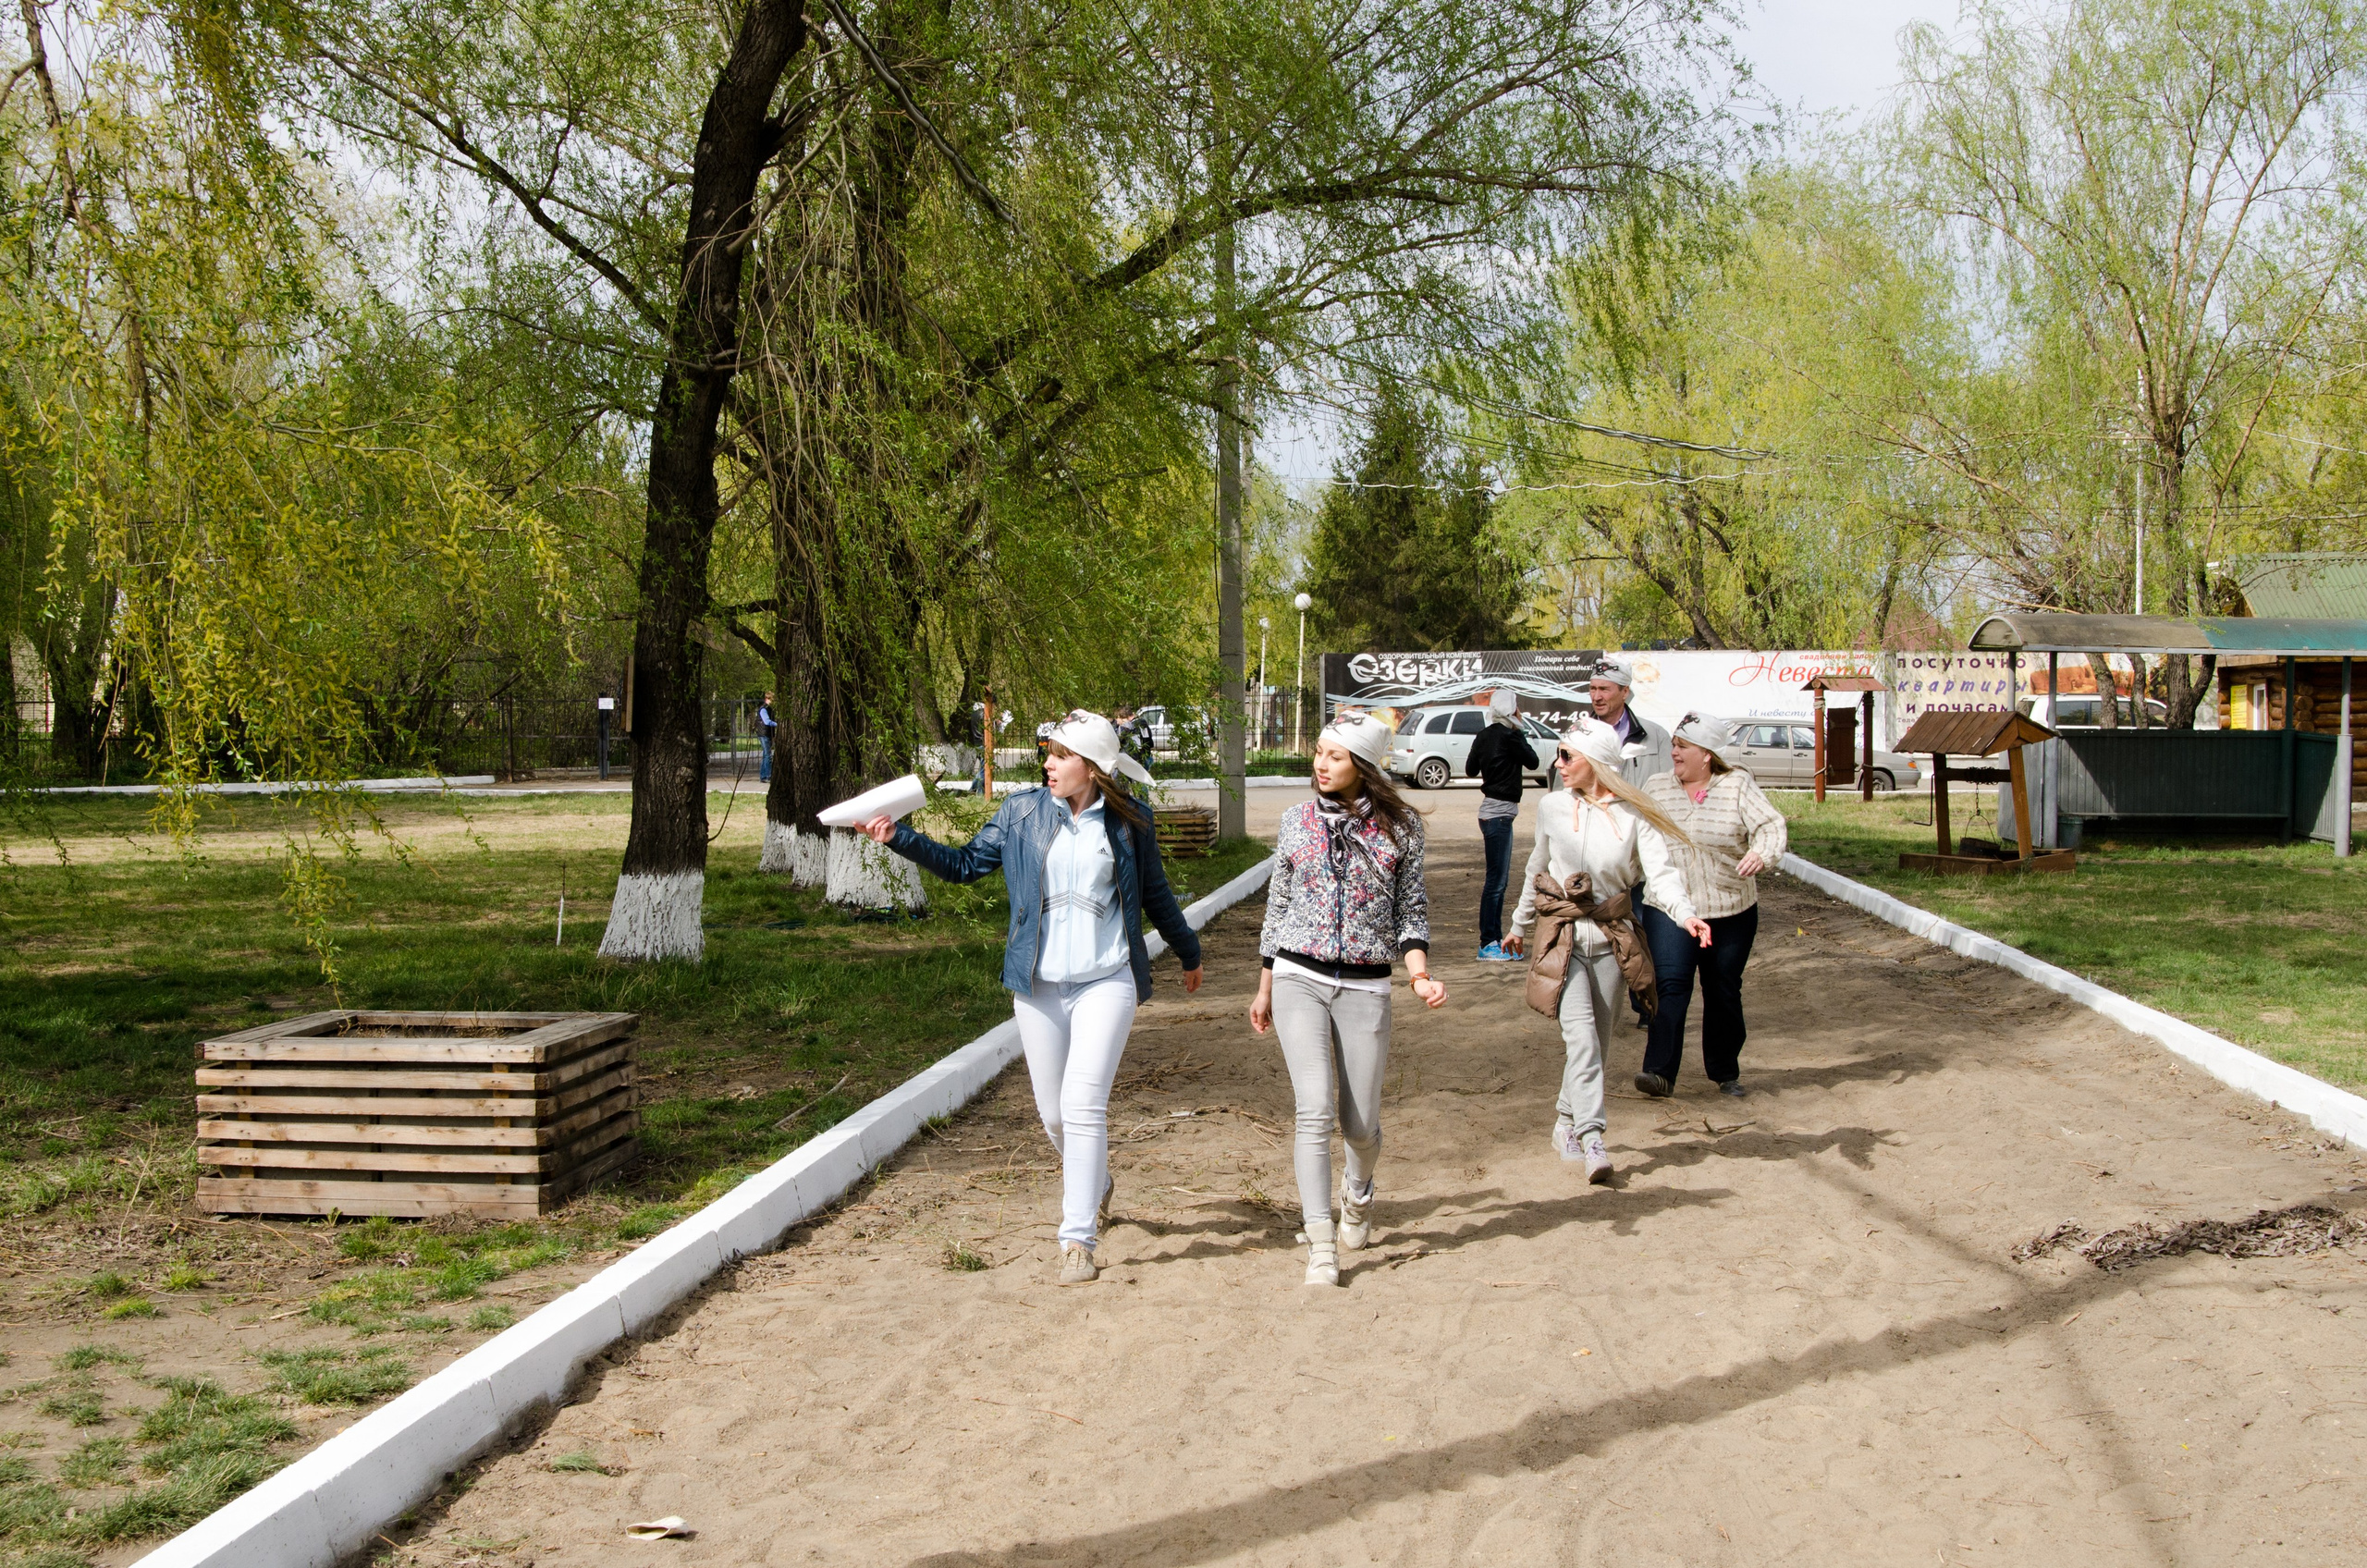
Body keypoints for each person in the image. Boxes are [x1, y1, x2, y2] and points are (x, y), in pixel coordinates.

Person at [859, 710, 1204, 1286]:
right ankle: (1095, 1182)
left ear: (1092, 767)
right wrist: (900, 838)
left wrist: (1188, 951)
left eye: (1061, 755)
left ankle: (1077, 1240)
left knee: (1083, 1106)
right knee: (1054, 1116)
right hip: (1037, 985)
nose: (1049, 763)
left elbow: (1155, 894)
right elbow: (965, 865)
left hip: (1105, 981)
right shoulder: (1021, 813)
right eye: (1049, 753)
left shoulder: (1130, 820)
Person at [1248, 715, 1443, 1287]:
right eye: (1318, 752)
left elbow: (1411, 910)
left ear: (1363, 765)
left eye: (1334, 756)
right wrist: (1265, 986)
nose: (1320, 764)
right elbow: (1278, 906)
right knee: (1313, 1110)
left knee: (1360, 1126)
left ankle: (1357, 1192)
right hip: (1297, 977)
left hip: (1365, 983)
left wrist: (1419, 975)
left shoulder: (1402, 828)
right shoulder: (1296, 820)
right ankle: (1320, 1243)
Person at [1506, 716, 1710, 1184]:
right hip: (1562, 940)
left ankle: (1565, 1121)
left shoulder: (1635, 816)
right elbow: (1537, 867)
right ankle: (1593, 1136)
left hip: (1613, 942)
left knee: (1596, 1044)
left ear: (1596, 763)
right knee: (1581, 1039)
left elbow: (1661, 876)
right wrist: (1518, 923)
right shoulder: (1553, 806)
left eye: (1567, 756)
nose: (1558, 764)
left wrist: (1686, 915)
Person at [1637, 714, 1787, 1099]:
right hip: (1669, 907)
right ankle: (1659, 1073)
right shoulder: (1656, 786)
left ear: (1707, 753)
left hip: (1730, 907)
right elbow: (1635, 837)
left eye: (1683, 746)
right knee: (1670, 985)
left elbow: (1770, 825)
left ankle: (1724, 1072)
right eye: (1674, 744)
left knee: (1722, 988)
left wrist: (1762, 853)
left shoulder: (1736, 785)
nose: (1674, 752)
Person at [1465, 688, 1539, 962]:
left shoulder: (1483, 735)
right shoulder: (1511, 736)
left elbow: (1471, 769)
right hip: (1498, 816)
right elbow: (1533, 762)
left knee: (1498, 881)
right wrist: (1518, 731)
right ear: (1512, 710)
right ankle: (1488, 943)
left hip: (1491, 813)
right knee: (1496, 883)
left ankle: (1493, 941)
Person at [1588, 658, 1672, 788]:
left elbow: (1670, 788)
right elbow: (1563, 793)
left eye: (1604, 689)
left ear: (1625, 692)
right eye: (1593, 689)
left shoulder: (1656, 735)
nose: (1596, 697)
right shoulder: (1576, 737)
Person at [757, 692, 778, 783]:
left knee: (766, 755)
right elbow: (767, 721)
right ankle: (768, 776)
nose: (773, 701)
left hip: (767, 733)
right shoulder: (764, 709)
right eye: (771, 699)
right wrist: (777, 724)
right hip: (764, 733)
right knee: (768, 756)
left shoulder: (769, 709)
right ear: (767, 699)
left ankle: (763, 776)